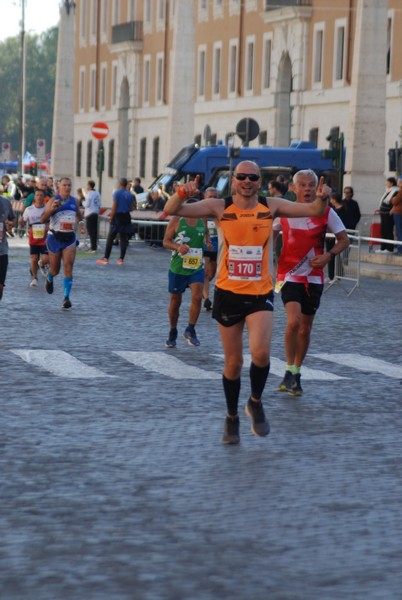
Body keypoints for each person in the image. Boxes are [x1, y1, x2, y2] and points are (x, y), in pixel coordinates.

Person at [164, 161, 331, 445]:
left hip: (259, 292)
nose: (247, 181)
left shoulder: (272, 205)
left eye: (253, 177)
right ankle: (231, 417)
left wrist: (323, 198)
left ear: (259, 181)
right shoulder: (220, 207)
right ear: (234, 180)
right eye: (241, 176)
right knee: (233, 363)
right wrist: (181, 192)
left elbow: (314, 210)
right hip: (228, 292)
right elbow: (173, 210)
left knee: (262, 354)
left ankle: (254, 401)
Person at [274, 170, 350, 397]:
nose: (307, 189)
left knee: (305, 328)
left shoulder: (326, 212)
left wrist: (328, 256)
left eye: (311, 185)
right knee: (293, 322)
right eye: (303, 185)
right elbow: (266, 233)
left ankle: (296, 371)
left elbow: (344, 239)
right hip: (289, 275)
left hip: (314, 277)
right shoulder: (284, 211)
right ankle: (288, 368)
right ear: (293, 188)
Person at [163, 198, 211, 348]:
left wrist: (207, 242)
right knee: (175, 301)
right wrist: (178, 247)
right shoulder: (177, 220)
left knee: (197, 297)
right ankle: (172, 330)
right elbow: (165, 241)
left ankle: (190, 329)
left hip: (196, 266)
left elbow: (206, 232)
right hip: (178, 267)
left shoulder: (202, 220)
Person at [40, 176, 82, 309]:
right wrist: (52, 210)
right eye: (64, 185)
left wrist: (81, 223)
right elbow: (42, 219)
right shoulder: (53, 200)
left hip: (69, 238)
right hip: (55, 238)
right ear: (59, 187)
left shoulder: (74, 201)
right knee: (55, 269)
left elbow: (79, 216)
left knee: (68, 266)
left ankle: (66, 298)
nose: (67, 188)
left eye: (69, 185)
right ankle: (50, 277)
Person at [97, 177, 135, 265]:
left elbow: (114, 206)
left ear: (120, 184)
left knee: (111, 237)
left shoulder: (117, 193)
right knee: (123, 238)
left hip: (117, 216)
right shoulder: (129, 194)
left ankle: (106, 258)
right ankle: (121, 259)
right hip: (126, 216)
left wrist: (111, 217)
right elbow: (131, 208)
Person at [19, 189, 49, 287]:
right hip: (34, 238)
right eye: (37, 195)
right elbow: (23, 223)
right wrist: (21, 222)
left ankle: (42, 264)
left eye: (41, 195)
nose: (39, 197)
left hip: (45, 238)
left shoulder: (47, 209)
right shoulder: (29, 209)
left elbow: (53, 220)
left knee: (45, 259)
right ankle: (35, 278)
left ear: (44, 197)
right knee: (34, 258)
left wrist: (49, 226)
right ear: (34, 197)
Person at [202, 187, 219, 311]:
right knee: (206, 273)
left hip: (219, 248)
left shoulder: (221, 212)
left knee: (213, 273)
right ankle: (207, 299)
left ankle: (204, 289)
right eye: (210, 197)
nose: (212, 199)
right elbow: (202, 229)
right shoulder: (201, 211)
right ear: (205, 197)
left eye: (215, 197)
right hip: (206, 246)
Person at [326, 192, 347, 280]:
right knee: (330, 255)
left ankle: (337, 275)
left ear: (334, 200)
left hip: (335, 235)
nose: (330, 201)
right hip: (330, 236)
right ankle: (332, 275)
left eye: (331, 199)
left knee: (334, 255)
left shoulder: (340, 210)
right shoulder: (333, 209)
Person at [375, 177, 399, 253]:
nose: (386, 184)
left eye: (387, 182)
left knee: (388, 230)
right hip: (383, 213)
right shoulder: (388, 191)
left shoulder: (395, 191)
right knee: (383, 230)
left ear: (391, 183)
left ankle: (389, 248)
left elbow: (394, 203)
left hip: (389, 214)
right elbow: (384, 201)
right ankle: (383, 247)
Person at [0, 193, 16, 300]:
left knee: (0, 286)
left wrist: (10, 224)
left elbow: (13, 219)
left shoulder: (5, 202)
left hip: (2, 250)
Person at [84, 180, 101, 252]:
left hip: (89, 213)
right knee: (94, 231)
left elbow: (87, 204)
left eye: (87, 185)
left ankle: (92, 247)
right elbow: (100, 203)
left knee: (90, 231)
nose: (86, 187)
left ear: (89, 186)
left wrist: (82, 202)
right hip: (95, 212)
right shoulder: (97, 193)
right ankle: (94, 246)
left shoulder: (89, 194)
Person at [390, 176, 402, 255]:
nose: (397, 181)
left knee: (399, 231)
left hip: (398, 213)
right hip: (398, 212)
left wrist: (392, 199)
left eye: (398, 180)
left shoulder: (401, 191)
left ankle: (400, 249)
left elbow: (395, 201)